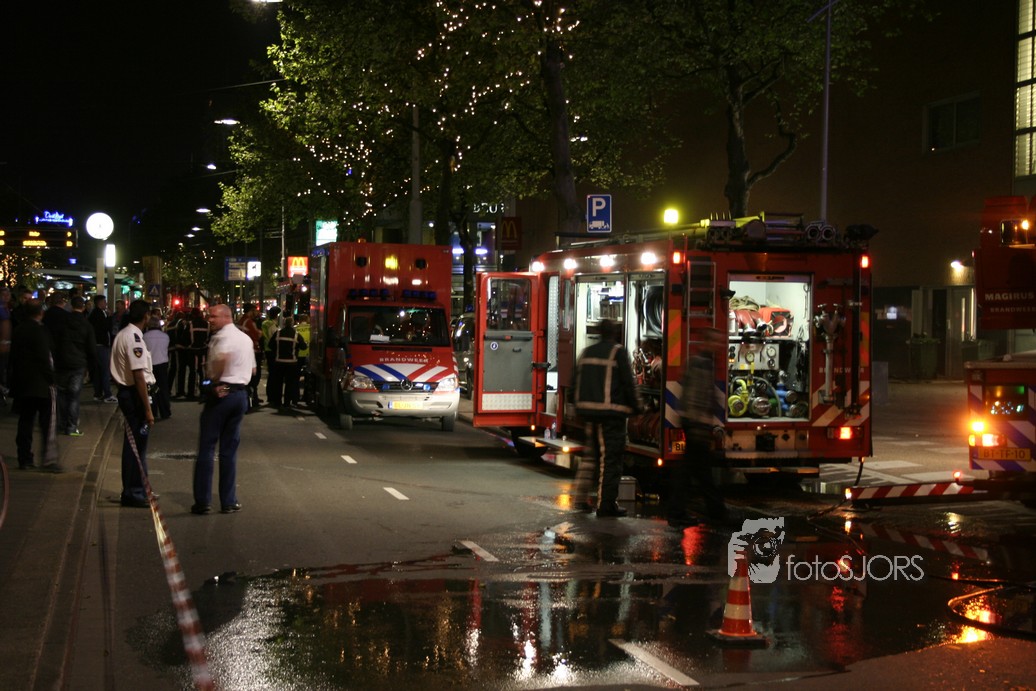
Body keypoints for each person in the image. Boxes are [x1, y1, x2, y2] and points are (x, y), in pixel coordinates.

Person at [571, 318, 642, 517]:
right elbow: (628, 383)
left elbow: (574, 382)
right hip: (611, 416)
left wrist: (576, 408)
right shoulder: (617, 352)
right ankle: (606, 505)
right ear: (615, 333)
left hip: (589, 414)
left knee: (590, 458)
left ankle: (580, 499)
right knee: (610, 460)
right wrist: (638, 408)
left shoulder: (586, 352)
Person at [191, 303, 254, 515]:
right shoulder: (245, 338)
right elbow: (253, 369)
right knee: (229, 450)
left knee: (207, 447)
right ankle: (228, 501)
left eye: (213, 316)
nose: (209, 320)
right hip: (240, 394)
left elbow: (222, 359)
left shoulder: (221, 337)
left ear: (226, 317)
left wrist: (214, 381)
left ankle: (203, 501)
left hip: (222, 393)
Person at [668, 327, 728, 527]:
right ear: (707, 342)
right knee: (698, 472)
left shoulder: (698, 362)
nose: (720, 346)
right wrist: (700, 425)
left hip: (692, 422)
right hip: (696, 423)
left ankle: (681, 512)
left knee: (693, 471)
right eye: (717, 341)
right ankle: (714, 513)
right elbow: (697, 396)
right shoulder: (703, 364)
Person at [110, 300, 157, 508]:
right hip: (134, 395)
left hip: (129, 393)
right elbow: (138, 376)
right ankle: (134, 492)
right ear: (146, 316)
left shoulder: (125, 334)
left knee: (135, 446)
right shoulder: (134, 338)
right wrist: (147, 409)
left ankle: (140, 489)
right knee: (136, 447)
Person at [11, 300, 62, 472]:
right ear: (41, 313)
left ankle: (24, 457)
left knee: (25, 421)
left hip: (23, 383)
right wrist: (52, 379)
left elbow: (14, 357)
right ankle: (49, 460)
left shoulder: (19, 329)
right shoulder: (40, 330)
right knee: (48, 423)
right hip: (41, 384)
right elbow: (45, 357)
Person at [55, 296, 96, 436]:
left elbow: (56, 341)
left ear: (71, 306)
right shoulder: (87, 325)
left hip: (62, 362)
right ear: (83, 307)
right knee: (74, 396)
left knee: (61, 394)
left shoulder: (62, 322)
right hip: (78, 363)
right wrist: (90, 366)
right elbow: (91, 348)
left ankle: (61, 424)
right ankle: (71, 427)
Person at [267, 316, 305, 409]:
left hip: (279, 362)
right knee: (290, 383)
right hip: (292, 363)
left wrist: (277, 351)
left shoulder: (278, 333)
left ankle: (277, 402)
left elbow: (270, 345)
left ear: (284, 324)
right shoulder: (296, 334)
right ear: (292, 324)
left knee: (278, 383)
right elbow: (304, 347)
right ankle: (287, 403)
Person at [88, 295, 117, 402]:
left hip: (96, 345)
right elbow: (105, 327)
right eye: (104, 302)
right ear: (100, 303)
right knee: (105, 370)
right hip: (101, 345)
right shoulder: (99, 314)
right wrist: (109, 317)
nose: (106, 304)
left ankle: (98, 393)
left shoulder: (94, 314)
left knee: (98, 371)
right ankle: (107, 394)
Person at [143, 315, 172, 421]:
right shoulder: (165, 336)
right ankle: (165, 411)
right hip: (162, 363)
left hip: (150, 364)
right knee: (163, 388)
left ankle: (153, 411)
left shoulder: (145, 336)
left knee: (151, 389)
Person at [237, 303, 264, 408]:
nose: (257, 313)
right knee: (254, 377)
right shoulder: (249, 322)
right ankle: (250, 400)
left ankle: (254, 397)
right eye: (255, 311)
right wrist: (260, 332)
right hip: (252, 352)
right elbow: (257, 335)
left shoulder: (241, 321)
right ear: (251, 311)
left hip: (243, 352)